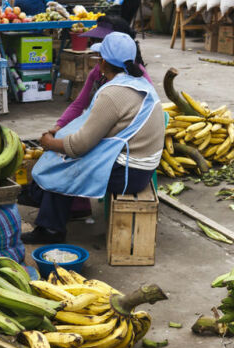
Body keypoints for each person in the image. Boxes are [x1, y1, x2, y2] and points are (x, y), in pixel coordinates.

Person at [20, 32, 165, 244]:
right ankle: (48, 204)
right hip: (143, 167)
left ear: (104, 62)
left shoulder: (113, 93)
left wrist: (52, 143)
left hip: (129, 174)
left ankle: (51, 230)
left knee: (64, 161)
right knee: (65, 151)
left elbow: (79, 146)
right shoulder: (139, 82)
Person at [49, 15, 151, 219]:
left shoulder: (128, 83)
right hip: (115, 142)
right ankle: (64, 205)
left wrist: (54, 142)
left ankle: (55, 222)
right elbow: (79, 104)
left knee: (67, 155)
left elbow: (82, 143)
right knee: (67, 144)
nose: (97, 50)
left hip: (124, 149)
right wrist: (59, 126)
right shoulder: (100, 72)